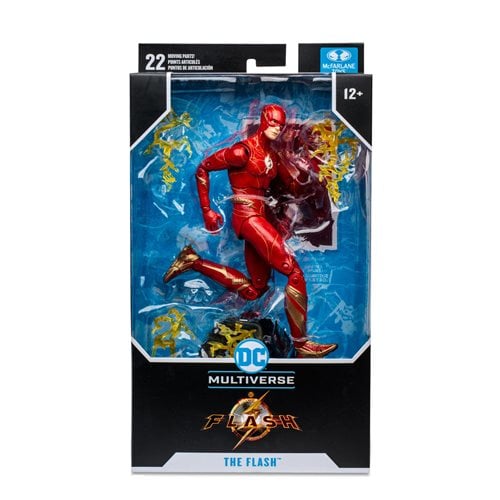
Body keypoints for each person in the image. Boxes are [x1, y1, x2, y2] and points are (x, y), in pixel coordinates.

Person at [163, 104, 337, 358]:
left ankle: (193, 261)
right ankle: (302, 345)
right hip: (247, 217)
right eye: (273, 123)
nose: (277, 128)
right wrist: (207, 210)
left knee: (257, 289)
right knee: (293, 272)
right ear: (264, 121)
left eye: (281, 124)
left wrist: (314, 169)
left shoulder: (273, 155)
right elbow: (203, 168)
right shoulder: (241, 152)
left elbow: (294, 186)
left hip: (260, 217)